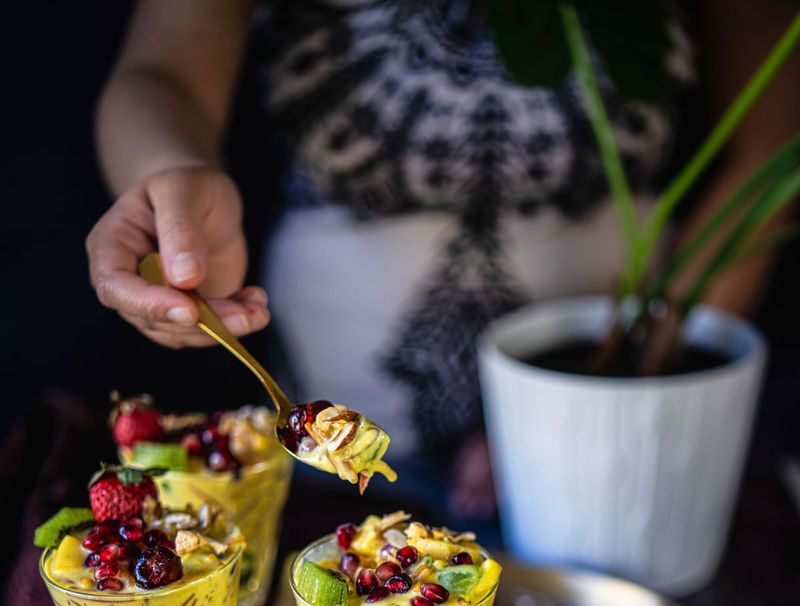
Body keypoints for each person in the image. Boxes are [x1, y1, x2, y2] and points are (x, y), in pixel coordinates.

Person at [86, 0, 800, 518]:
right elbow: (163, 69)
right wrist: (167, 174)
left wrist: (625, 384)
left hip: (617, 439)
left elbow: (774, 134)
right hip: (325, 472)